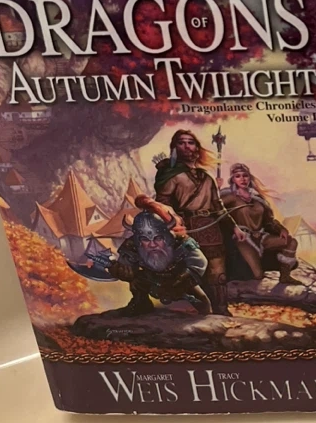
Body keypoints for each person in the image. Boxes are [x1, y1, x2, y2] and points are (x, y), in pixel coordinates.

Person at [154, 129, 240, 313]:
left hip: (210, 228)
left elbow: (218, 207)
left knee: (218, 274)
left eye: (191, 142)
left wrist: (234, 227)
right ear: (174, 148)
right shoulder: (170, 176)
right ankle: (201, 309)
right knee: (190, 272)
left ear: (197, 148)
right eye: (181, 142)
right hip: (185, 229)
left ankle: (221, 310)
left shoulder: (207, 178)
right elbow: (162, 203)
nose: (186, 146)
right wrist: (174, 222)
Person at [108, 197, 211, 316]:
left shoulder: (180, 242)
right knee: (136, 283)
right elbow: (124, 265)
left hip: (179, 278)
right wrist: (121, 272)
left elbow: (199, 262)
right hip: (150, 278)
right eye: (145, 239)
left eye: (158, 238)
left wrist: (179, 282)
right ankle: (140, 302)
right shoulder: (132, 245)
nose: (152, 244)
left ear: (166, 235)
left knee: (203, 303)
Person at [222, 162, 300, 284]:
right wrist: (216, 189)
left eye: (245, 175)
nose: (242, 179)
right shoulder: (230, 197)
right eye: (238, 176)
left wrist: (280, 229)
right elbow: (216, 207)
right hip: (243, 239)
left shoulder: (257, 198)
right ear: (233, 179)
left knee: (291, 242)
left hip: (262, 236)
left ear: (249, 177)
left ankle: (285, 276)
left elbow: (268, 220)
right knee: (258, 275)